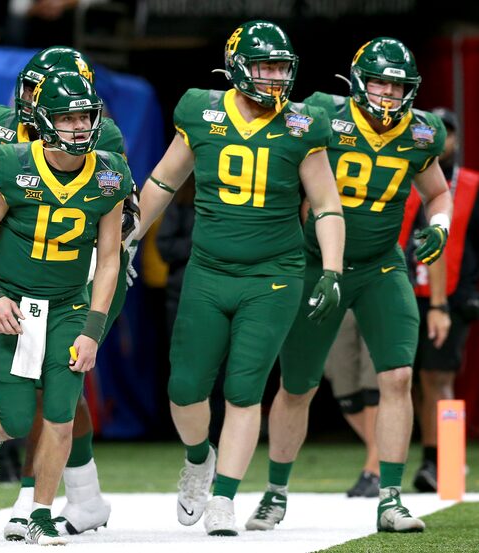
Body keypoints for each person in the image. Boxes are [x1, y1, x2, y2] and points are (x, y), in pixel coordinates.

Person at [136, 20, 345, 536]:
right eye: (264, 66)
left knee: (244, 389)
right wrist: (128, 235)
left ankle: (225, 497)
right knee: (184, 388)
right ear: (236, 69)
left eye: (281, 67)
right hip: (208, 271)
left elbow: (326, 203)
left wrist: (333, 268)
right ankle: (197, 459)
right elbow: (165, 178)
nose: (274, 78)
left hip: (274, 274)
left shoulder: (304, 123)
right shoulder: (200, 111)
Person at [247, 37, 452, 534]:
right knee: (298, 386)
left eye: (397, 85)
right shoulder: (322, 114)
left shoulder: (423, 132)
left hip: (382, 265)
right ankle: (275, 492)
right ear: (359, 81)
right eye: (380, 81)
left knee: (399, 377)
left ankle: (391, 498)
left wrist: (440, 224)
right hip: (316, 264)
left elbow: (438, 191)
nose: (387, 94)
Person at [0, 69, 131, 546]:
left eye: (85, 116)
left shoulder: (110, 173)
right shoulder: (13, 164)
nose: (78, 126)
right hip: (14, 306)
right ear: (43, 119)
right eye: (68, 117)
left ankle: (40, 512)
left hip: (69, 306)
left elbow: (111, 258)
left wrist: (93, 328)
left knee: (59, 412)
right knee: (15, 419)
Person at [400, 107, 478, 492]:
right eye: (435, 131)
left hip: (450, 297)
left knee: (440, 378)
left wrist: (462, 298)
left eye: (448, 132)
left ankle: (446, 463)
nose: (442, 139)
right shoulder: (404, 175)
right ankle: (430, 457)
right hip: (403, 291)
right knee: (406, 380)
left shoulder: (471, 186)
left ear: (457, 139)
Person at [322, 310, 381, 497]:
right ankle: (387, 454)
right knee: (345, 390)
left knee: (375, 382)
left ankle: (374, 470)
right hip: (336, 297)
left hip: (376, 288)